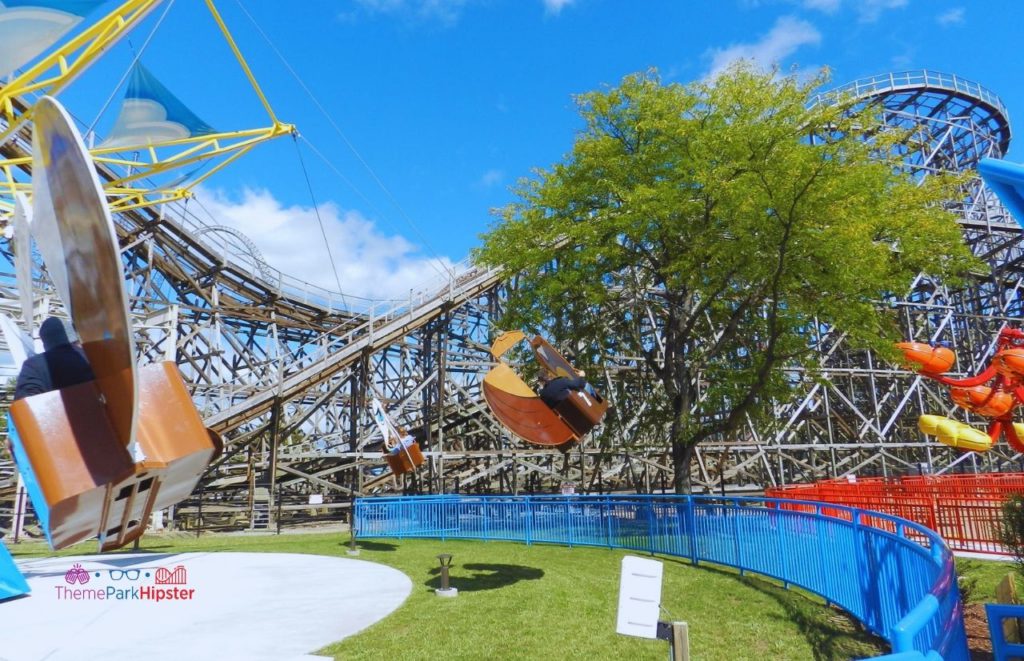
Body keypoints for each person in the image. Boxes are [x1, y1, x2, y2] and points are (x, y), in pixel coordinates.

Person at [14, 316, 95, 401]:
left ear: (45, 344)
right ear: (75, 337)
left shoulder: (33, 365)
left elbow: (24, 402)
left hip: (55, 413)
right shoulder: (93, 356)